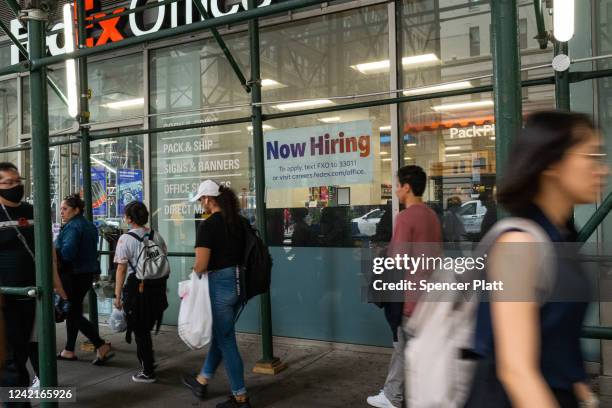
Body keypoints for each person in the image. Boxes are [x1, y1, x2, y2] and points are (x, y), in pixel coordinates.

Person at [465, 111, 609, 407]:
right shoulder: (519, 245)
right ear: (551, 163)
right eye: (591, 156)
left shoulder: (562, 237)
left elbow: (558, 341)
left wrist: (584, 394)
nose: (602, 169)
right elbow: (517, 371)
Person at [367, 165, 442, 408]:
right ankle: (397, 394)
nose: (395, 190)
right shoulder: (431, 215)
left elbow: (397, 260)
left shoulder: (405, 217)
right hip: (431, 294)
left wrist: (382, 253)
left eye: (397, 185)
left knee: (402, 344)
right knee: (411, 349)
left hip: (409, 296)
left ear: (407, 188)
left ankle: (394, 396)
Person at [182, 180, 250, 408]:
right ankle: (202, 380)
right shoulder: (239, 222)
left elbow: (201, 265)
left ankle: (240, 397)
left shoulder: (208, 226)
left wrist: (193, 273)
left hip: (221, 284)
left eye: (201, 199)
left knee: (226, 340)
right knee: (222, 335)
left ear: (210, 199)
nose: (201, 203)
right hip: (240, 284)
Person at [113, 201, 169, 383]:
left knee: (140, 330)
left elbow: (121, 269)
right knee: (145, 328)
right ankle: (148, 362)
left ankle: (147, 370)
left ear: (129, 219)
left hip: (138, 290)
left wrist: (117, 295)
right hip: (157, 289)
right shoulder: (156, 235)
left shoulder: (125, 239)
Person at [55, 193, 113, 365]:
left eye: (65, 209)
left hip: (72, 274)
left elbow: (68, 253)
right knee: (74, 311)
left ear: (76, 209)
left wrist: (55, 253)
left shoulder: (73, 227)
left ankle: (100, 344)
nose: (62, 212)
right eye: (61, 209)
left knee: (71, 313)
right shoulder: (88, 225)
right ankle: (69, 349)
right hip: (86, 274)